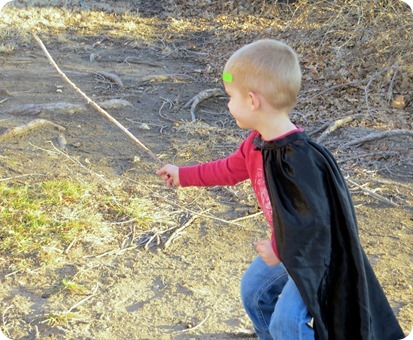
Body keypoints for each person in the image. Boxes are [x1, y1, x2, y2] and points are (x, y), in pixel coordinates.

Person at [156, 39, 404, 340]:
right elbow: (228, 169)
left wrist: (277, 249)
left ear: (252, 100)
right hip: (288, 249)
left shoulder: (301, 160)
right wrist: (183, 174)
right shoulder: (256, 144)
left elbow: (316, 223)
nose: (227, 104)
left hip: (317, 258)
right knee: (254, 291)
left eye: (230, 96)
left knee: (287, 320)